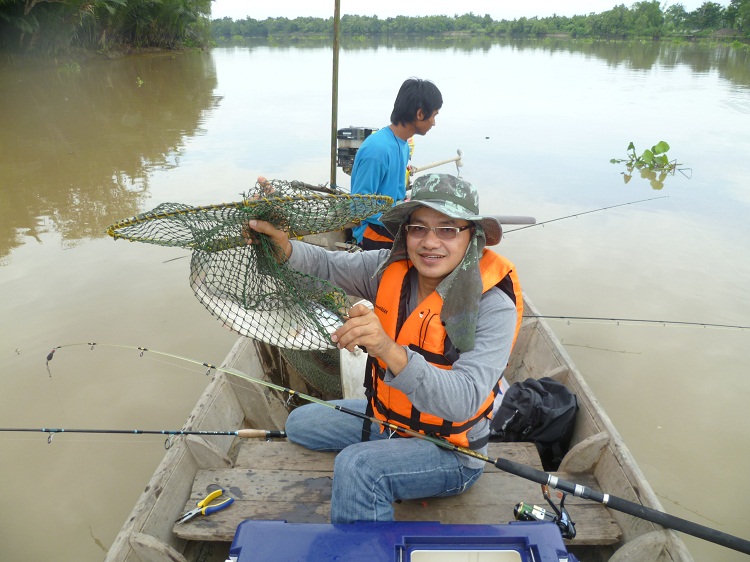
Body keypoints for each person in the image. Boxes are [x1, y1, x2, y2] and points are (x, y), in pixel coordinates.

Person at [246, 173, 523, 524]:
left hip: (453, 451)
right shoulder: (387, 270)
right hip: (389, 419)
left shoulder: (494, 307)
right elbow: (325, 266)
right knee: (300, 423)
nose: (430, 242)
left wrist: (386, 348)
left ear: (473, 238)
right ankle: (386, 452)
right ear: (405, 232)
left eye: (448, 229)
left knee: (358, 467)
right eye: (418, 228)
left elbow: (463, 400)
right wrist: (283, 248)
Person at [350, 77, 443, 250]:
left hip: (391, 220)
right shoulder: (377, 150)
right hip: (371, 231)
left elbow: (397, 195)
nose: (434, 123)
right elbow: (359, 206)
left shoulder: (404, 144)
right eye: (434, 115)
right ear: (420, 114)